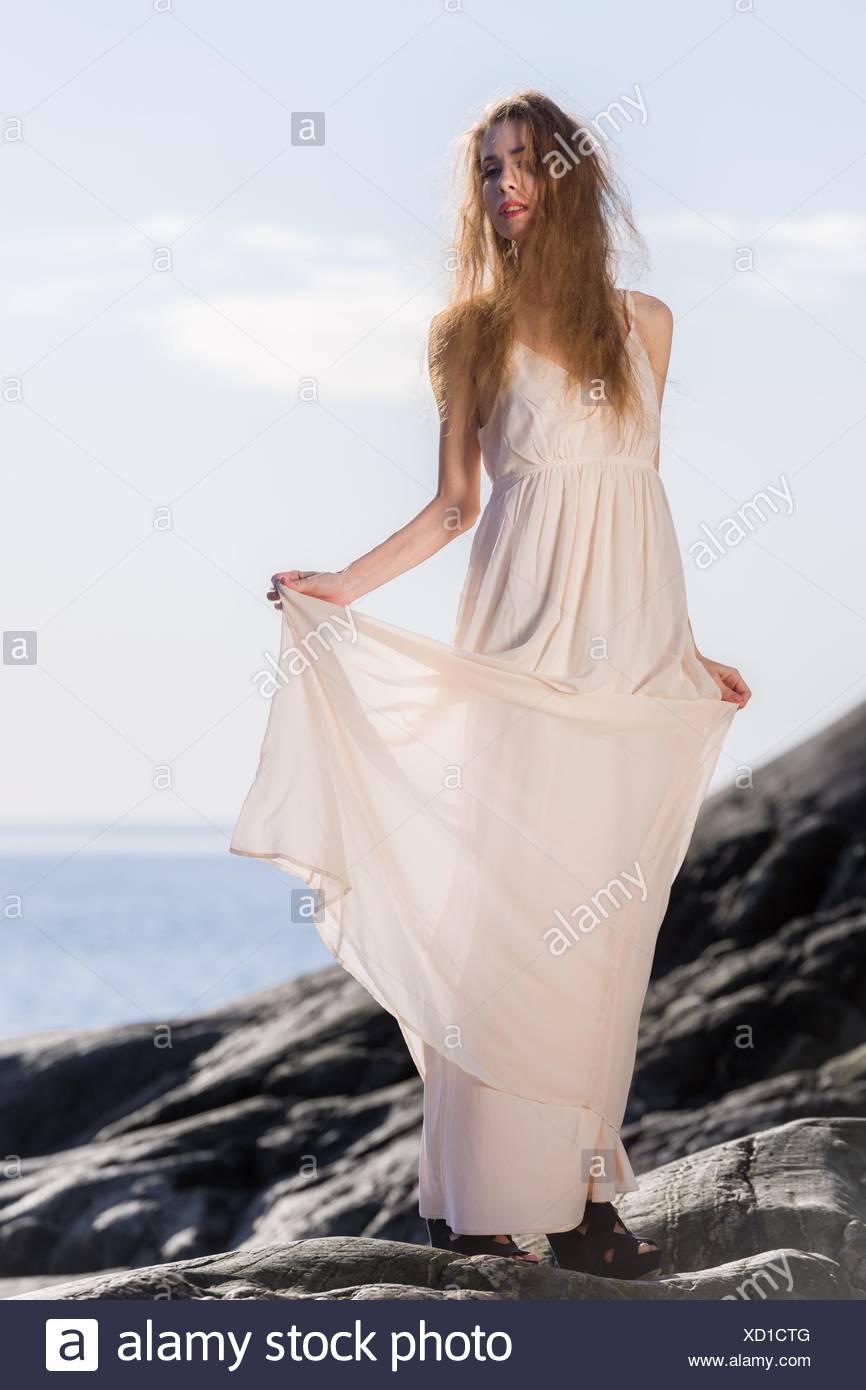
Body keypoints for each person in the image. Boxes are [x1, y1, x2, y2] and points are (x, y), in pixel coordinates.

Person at [230, 90, 750, 1280]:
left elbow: (639, 500)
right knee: (508, 918)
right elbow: (458, 505)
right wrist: (340, 588)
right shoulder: (467, 330)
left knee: (607, 924)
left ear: (569, 177)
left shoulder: (646, 324)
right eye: (487, 170)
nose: (506, 185)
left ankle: (577, 1195)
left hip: (626, 664)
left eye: (525, 164)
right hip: (520, 651)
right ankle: (469, 1202)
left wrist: (684, 652)